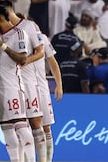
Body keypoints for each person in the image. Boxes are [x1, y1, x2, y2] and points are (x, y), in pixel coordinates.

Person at [0, 0, 47, 162]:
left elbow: (42, 52)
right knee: (9, 125)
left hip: (26, 80)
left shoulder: (28, 27)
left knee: (34, 123)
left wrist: (25, 61)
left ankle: (43, 159)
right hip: (4, 82)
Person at [0, 4, 34, 162]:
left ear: (0, 19)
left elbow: (22, 59)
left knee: (20, 124)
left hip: (13, 87)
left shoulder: (19, 33)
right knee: (6, 127)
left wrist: (3, 46)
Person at [39, 33, 63, 162]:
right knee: (23, 127)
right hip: (21, 87)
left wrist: (59, 84)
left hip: (41, 87)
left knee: (46, 127)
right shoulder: (9, 36)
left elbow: (52, 61)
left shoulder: (41, 37)